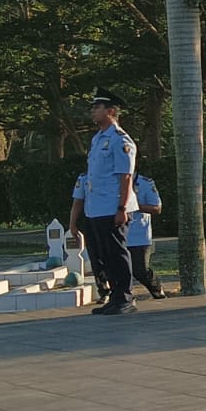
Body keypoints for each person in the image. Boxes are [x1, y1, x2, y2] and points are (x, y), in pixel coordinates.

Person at [84, 90, 138, 315]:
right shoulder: (98, 139)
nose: (93, 111)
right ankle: (115, 297)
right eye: (94, 107)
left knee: (117, 252)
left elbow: (125, 176)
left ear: (111, 111)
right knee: (104, 255)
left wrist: (122, 208)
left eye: (98, 107)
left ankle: (125, 297)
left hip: (114, 206)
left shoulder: (120, 140)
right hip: (96, 207)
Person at [67, 172, 111, 305]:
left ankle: (119, 290)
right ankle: (103, 291)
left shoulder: (112, 176)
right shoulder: (84, 178)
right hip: (91, 221)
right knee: (95, 258)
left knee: (112, 256)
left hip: (110, 220)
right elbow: (78, 202)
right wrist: (72, 225)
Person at [128, 172, 167, 300]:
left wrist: (134, 206)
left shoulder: (145, 183)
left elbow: (157, 208)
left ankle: (157, 289)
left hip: (139, 236)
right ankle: (123, 297)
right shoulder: (111, 181)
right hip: (119, 234)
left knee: (140, 270)